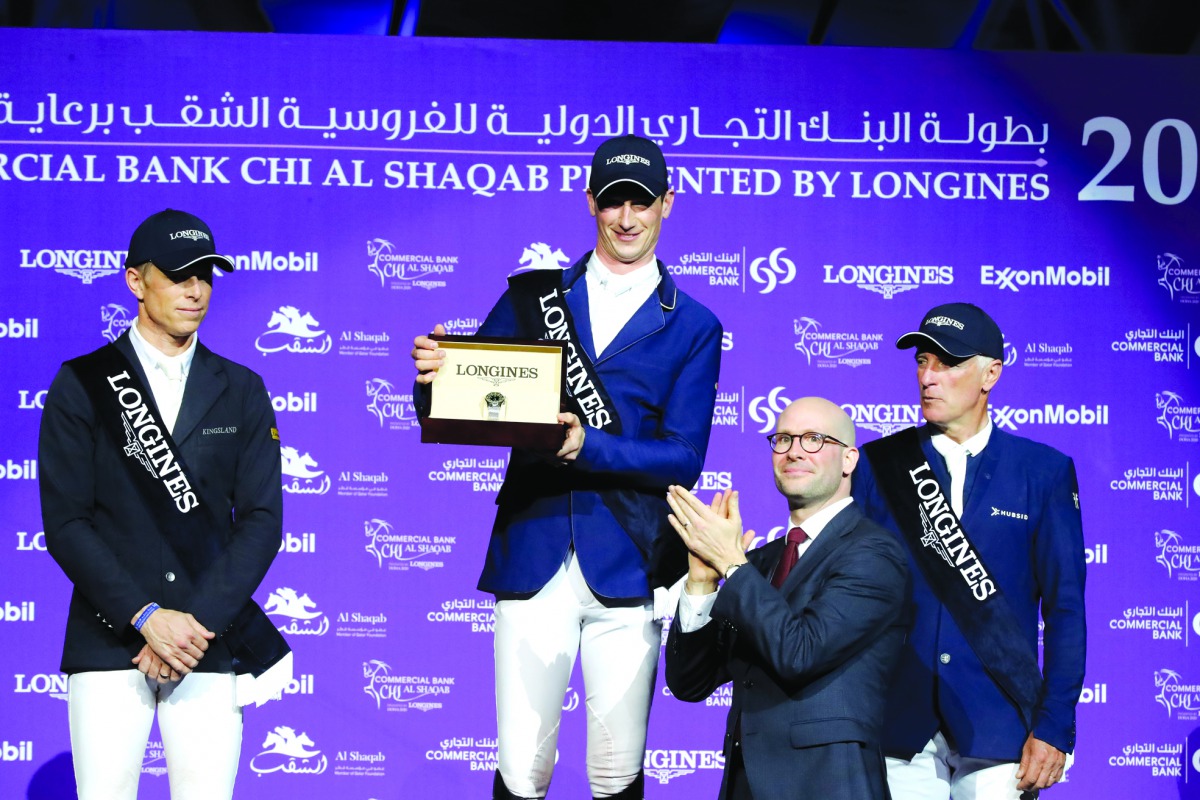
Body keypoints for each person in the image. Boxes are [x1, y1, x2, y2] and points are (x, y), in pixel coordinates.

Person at [411, 135, 723, 799]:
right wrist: (433, 377)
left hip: (631, 563)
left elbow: (685, 458)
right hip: (534, 551)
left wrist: (591, 447)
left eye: (642, 200)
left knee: (616, 774)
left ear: (668, 203)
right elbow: (466, 401)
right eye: (614, 201)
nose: (628, 216)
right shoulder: (534, 298)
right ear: (590, 204)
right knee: (523, 769)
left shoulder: (694, 324)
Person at [38, 209, 291, 800]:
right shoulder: (82, 384)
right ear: (135, 281)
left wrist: (194, 625)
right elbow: (67, 524)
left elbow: (262, 521)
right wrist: (147, 616)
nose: (196, 289)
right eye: (179, 275)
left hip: (208, 639)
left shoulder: (243, 388)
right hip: (111, 638)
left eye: (205, 274)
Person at [851, 302, 1086, 800]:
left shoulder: (1043, 472)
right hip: (898, 723)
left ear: (991, 374)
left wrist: (1055, 724)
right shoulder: (878, 464)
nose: (928, 377)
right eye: (921, 361)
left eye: (947, 362)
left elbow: (1065, 611)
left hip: (1002, 725)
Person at [663, 397, 909, 800]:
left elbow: (801, 651)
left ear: (848, 460)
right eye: (782, 439)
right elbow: (691, 682)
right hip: (744, 784)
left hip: (827, 783)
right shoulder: (758, 562)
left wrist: (730, 564)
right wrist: (702, 582)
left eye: (813, 439)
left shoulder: (874, 553)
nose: (794, 450)